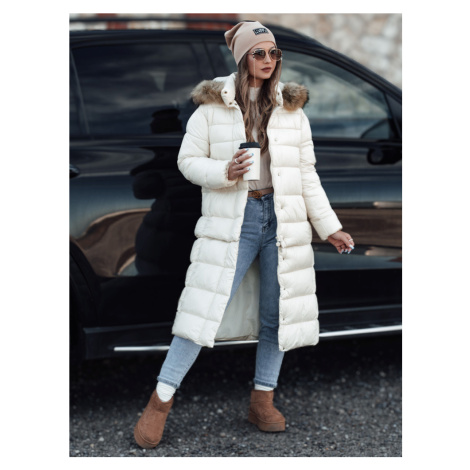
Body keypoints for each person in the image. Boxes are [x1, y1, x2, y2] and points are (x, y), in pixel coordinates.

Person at [134, 20, 355, 449]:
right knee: (202, 311)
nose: (269, 60)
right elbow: (187, 161)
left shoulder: (291, 110)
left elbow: (307, 175)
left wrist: (329, 227)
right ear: (241, 58)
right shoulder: (211, 108)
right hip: (236, 219)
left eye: (274, 53)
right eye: (259, 53)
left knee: (278, 313)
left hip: (283, 218)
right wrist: (226, 171)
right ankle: (159, 401)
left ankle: (262, 399)